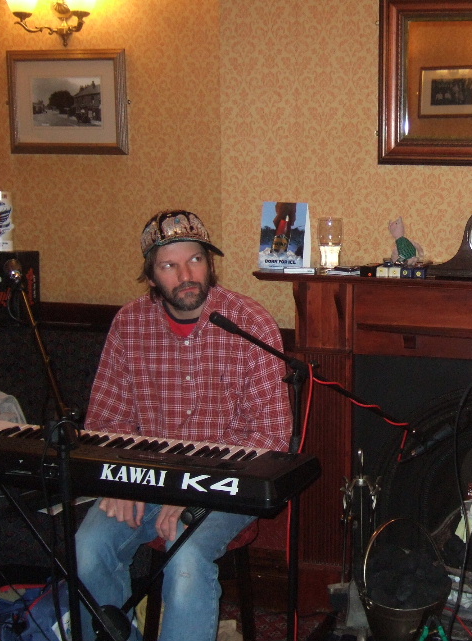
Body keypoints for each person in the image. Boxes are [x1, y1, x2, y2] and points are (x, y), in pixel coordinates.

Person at [76, 210, 292, 641]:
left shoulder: (250, 323)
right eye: (169, 265)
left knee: (186, 558)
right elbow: (105, 421)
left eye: (195, 260)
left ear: (210, 263)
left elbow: (271, 437)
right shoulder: (129, 324)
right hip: (141, 477)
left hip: (225, 486)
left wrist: (191, 485)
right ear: (151, 276)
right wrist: (122, 482)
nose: (186, 274)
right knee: (87, 550)